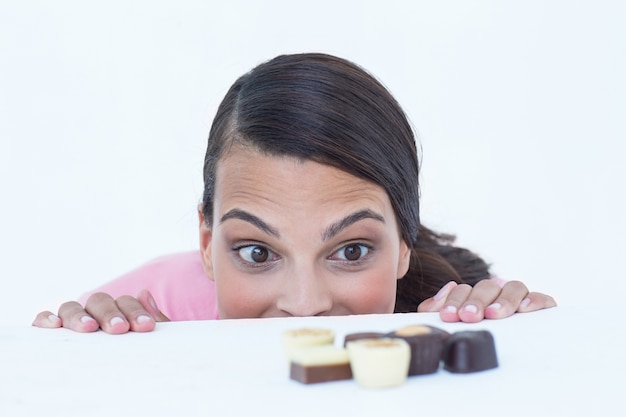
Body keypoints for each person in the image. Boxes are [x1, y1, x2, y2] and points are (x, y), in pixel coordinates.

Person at [32, 53, 556, 334]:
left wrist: (515, 345)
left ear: (403, 243)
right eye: (257, 253)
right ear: (207, 243)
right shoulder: (143, 314)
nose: (304, 306)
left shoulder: (458, 313)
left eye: (351, 251)